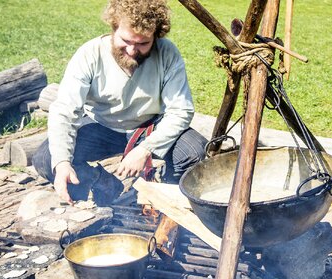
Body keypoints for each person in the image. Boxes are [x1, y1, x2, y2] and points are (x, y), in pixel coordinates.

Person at [32, 0, 207, 206]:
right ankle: (103, 184)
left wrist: (146, 149)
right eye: (126, 40)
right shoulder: (90, 54)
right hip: (101, 125)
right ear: (114, 27)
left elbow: (181, 110)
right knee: (46, 159)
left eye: (143, 43)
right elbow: (64, 111)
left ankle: (164, 200)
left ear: (156, 36)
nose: (133, 51)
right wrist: (62, 163)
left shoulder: (167, 53)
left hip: (148, 127)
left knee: (195, 152)